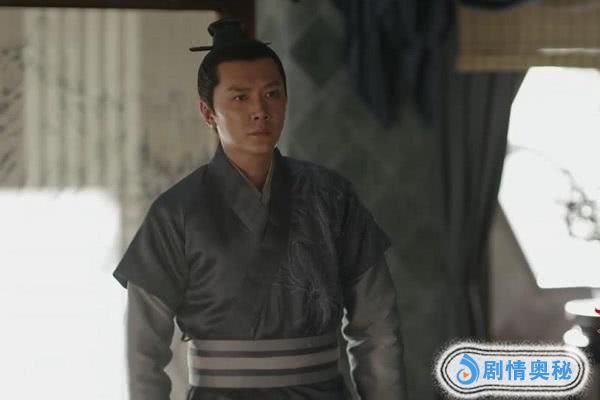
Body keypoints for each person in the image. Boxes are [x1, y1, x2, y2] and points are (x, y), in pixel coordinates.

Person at [113, 18, 406, 400]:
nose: (260, 110)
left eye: (272, 94)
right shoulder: (176, 212)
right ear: (207, 112)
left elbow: (377, 326)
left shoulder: (332, 197)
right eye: (240, 97)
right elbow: (143, 352)